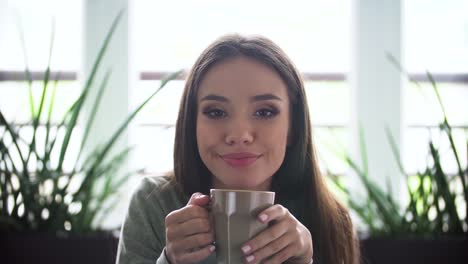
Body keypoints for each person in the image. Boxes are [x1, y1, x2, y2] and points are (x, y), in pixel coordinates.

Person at [116, 34, 360, 264]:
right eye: (216, 112)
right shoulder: (153, 204)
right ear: (193, 125)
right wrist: (169, 260)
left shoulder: (329, 218)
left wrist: (305, 261)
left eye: (265, 112)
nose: (239, 135)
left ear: (293, 128)